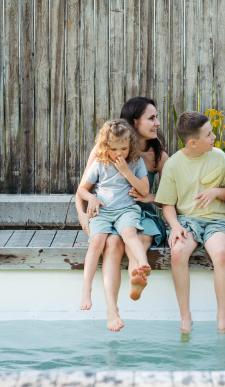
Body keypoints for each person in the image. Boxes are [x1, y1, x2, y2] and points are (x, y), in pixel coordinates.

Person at [75, 97, 168, 332]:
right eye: (151, 118)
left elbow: (169, 197)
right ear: (134, 123)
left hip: (137, 212)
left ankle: (136, 278)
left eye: (156, 117)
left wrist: (150, 198)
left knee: (134, 237)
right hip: (109, 211)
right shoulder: (104, 151)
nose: (157, 123)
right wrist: (83, 216)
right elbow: (83, 190)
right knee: (113, 243)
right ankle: (112, 309)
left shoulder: (157, 156)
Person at [154, 111, 225, 334]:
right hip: (187, 221)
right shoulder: (172, 165)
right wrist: (175, 225)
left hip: (218, 221)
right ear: (193, 142)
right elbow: (167, 204)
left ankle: (222, 317)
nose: (214, 137)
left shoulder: (219, 156)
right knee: (178, 252)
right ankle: (185, 317)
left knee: (220, 253)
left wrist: (217, 192)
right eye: (208, 134)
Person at [77, 120, 152, 315]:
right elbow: (82, 190)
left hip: (125, 209)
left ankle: (143, 263)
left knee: (129, 233)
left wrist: (126, 171)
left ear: (131, 146)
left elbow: (144, 190)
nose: (119, 153)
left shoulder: (135, 163)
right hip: (102, 211)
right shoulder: (100, 164)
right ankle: (86, 289)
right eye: (114, 149)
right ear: (105, 147)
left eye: (124, 148)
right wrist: (91, 197)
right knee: (96, 242)